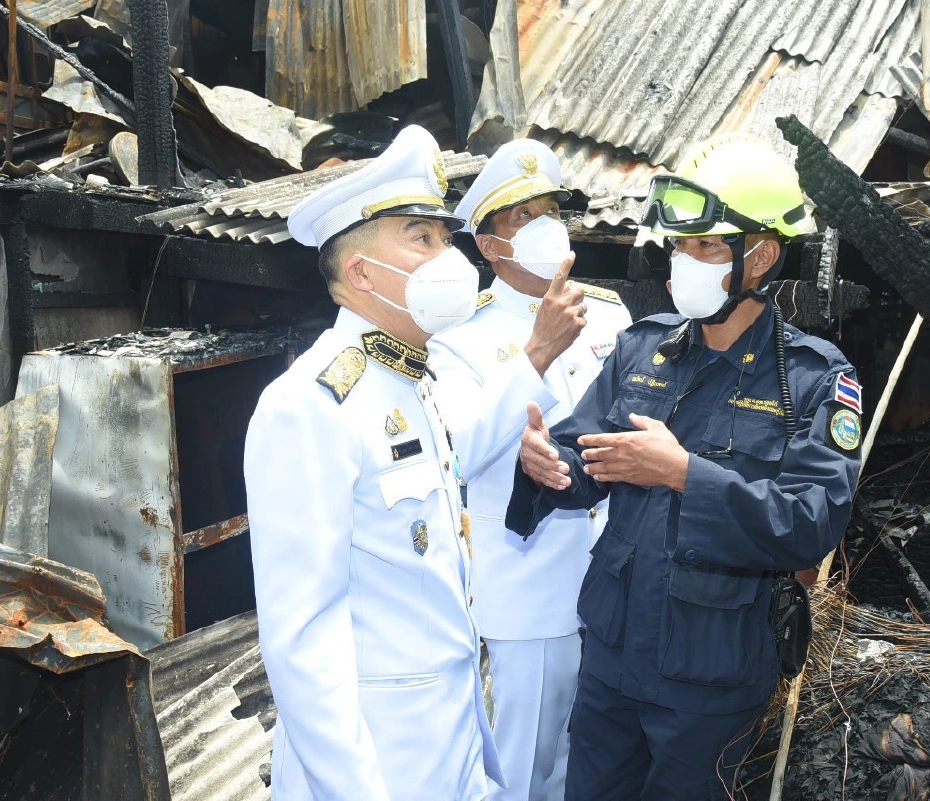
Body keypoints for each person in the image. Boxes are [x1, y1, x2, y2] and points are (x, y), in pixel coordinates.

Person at [505, 135, 864, 799]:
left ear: (761, 256)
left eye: (705, 246)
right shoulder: (642, 349)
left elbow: (810, 524)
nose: (684, 261)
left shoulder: (814, 380)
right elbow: (583, 464)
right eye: (679, 245)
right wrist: (544, 462)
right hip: (612, 660)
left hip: (712, 679)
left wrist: (683, 474)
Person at [245, 125, 550, 801]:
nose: (448, 256)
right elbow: (303, 642)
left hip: (452, 748)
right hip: (378, 765)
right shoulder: (309, 404)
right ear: (360, 273)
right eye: (422, 237)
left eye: (444, 237)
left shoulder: (415, 381)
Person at [429, 139, 632, 801]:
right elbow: (457, 453)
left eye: (550, 211)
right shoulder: (457, 339)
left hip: (616, 583)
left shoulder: (609, 314)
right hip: (530, 590)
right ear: (489, 246)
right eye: (523, 216)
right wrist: (537, 354)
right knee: (524, 772)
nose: (546, 226)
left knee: (598, 766)